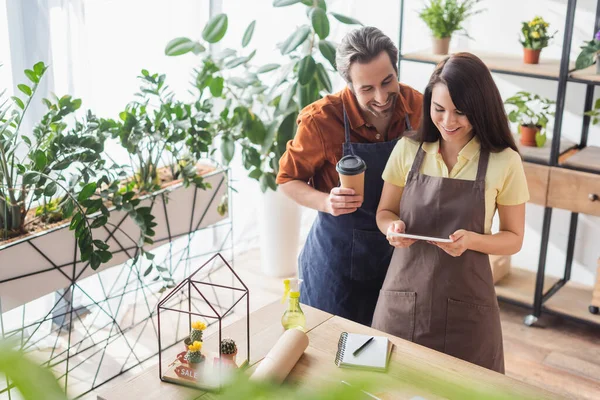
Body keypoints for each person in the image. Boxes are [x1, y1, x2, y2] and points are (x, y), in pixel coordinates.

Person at [372, 52, 529, 373]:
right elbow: (384, 212)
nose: (447, 121)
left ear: (481, 107)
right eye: (439, 109)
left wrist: (471, 240)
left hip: (468, 305)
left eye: (460, 112)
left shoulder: (504, 161)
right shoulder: (408, 150)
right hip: (403, 296)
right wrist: (392, 228)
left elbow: (513, 239)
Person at [276, 27, 423, 326]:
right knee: (331, 349)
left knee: (394, 349)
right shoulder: (320, 120)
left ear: (396, 70)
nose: (381, 97)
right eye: (367, 89)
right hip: (337, 263)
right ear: (348, 83)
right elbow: (287, 180)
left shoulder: (418, 107)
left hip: (400, 254)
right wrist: (326, 201)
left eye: (387, 81)